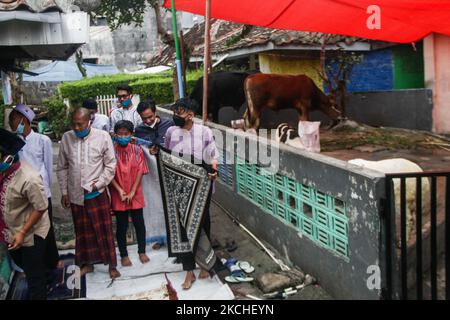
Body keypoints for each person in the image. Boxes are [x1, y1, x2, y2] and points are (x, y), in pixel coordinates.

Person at [56, 107, 120, 279]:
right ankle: (87, 264)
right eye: (73, 124)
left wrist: (98, 184)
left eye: (80, 124)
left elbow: (111, 165)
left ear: (89, 121)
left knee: (104, 231)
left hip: (97, 195)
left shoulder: (102, 137)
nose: (76, 128)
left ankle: (112, 265)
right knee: (82, 232)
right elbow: (62, 167)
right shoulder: (67, 138)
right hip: (76, 196)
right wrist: (64, 192)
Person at [164, 98, 219, 290]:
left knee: (202, 224)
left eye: (179, 112)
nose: (175, 116)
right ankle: (189, 270)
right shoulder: (171, 131)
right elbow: (167, 156)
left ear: (190, 114)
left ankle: (205, 264)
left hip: (203, 186)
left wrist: (213, 171)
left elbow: (212, 156)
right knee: (184, 228)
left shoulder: (204, 132)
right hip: (181, 187)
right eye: (175, 112)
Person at [8, 104, 61, 271]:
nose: (12, 125)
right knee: (31, 228)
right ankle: (37, 263)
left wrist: (46, 189)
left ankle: (52, 260)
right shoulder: (13, 142)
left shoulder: (42, 140)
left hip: (41, 190)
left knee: (47, 227)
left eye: (13, 121)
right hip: (23, 192)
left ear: (24, 121)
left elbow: (46, 165)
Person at [0, 128, 50, 300]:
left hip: (29, 234)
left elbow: (41, 207)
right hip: (11, 231)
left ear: (7, 157)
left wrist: (22, 232)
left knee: (34, 276)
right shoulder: (3, 172)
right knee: (24, 265)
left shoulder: (29, 178)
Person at [134, 99, 174, 250]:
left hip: (169, 172)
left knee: (171, 204)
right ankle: (159, 236)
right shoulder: (139, 131)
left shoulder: (169, 125)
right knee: (155, 205)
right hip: (152, 177)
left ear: (155, 112)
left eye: (150, 116)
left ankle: (173, 237)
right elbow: (140, 152)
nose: (148, 120)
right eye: (144, 118)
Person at [110, 120, 150, 266]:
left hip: (135, 191)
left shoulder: (137, 149)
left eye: (125, 134)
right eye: (119, 134)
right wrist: (120, 190)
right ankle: (124, 254)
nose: (122, 136)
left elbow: (140, 170)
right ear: (115, 135)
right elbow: (108, 174)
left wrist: (133, 191)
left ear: (131, 134)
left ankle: (142, 251)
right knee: (121, 225)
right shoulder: (110, 150)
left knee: (139, 223)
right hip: (118, 192)